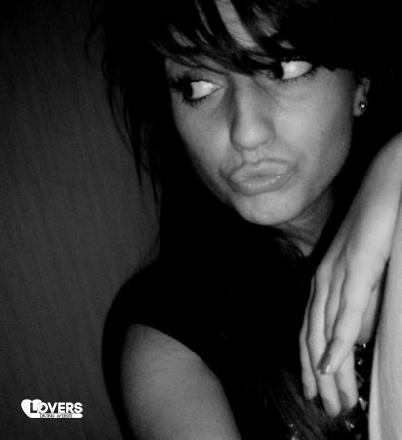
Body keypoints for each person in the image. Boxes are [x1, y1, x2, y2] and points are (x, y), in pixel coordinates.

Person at [98, 0, 402, 438]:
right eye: (198, 86)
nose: (246, 132)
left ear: (360, 82)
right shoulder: (171, 342)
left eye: (285, 67)